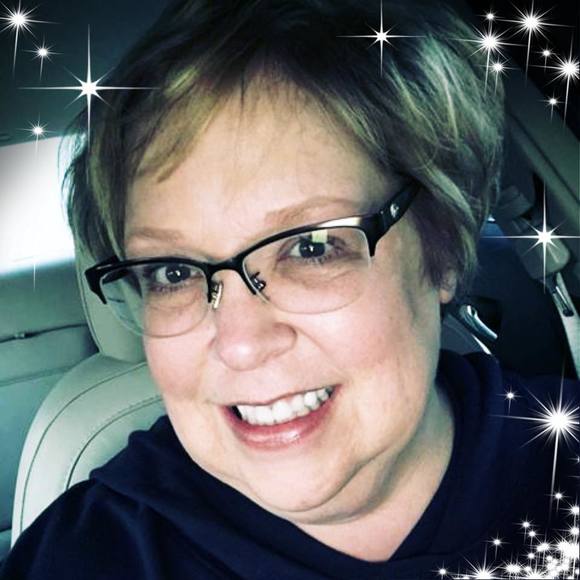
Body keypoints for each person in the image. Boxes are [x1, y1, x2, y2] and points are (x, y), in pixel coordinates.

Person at [1, 0, 578, 579]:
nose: (241, 344)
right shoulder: (83, 557)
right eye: (173, 273)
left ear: (443, 248)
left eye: (311, 247)